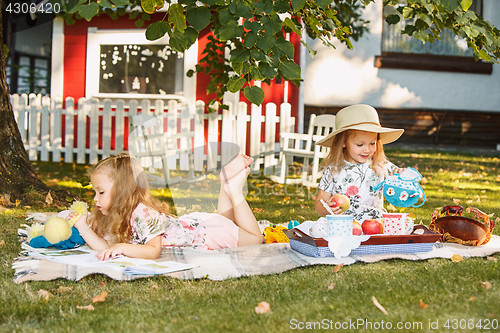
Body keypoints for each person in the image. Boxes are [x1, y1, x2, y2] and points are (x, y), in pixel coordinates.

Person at [72, 153, 263, 261]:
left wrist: (122, 247)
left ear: (121, 191)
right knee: (228, 221)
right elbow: (105, 247)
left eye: (101, 192)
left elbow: (152, 251)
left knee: (255, 239)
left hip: (208, 233)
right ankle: (225, 184)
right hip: (200, 225)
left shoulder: (142, 213)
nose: (95, 198)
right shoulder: (117, 214)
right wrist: (82, 225)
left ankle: (235, 190)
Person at [314, 104, 405, 223]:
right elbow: (319, 202)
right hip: (343, 226)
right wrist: (327, 208)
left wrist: (400, 176)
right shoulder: (334, 169)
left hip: (375, 226)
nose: (367, 149)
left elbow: (399, 187)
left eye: (372, 143)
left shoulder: (380, 164)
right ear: (343, 142)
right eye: (360, 145)